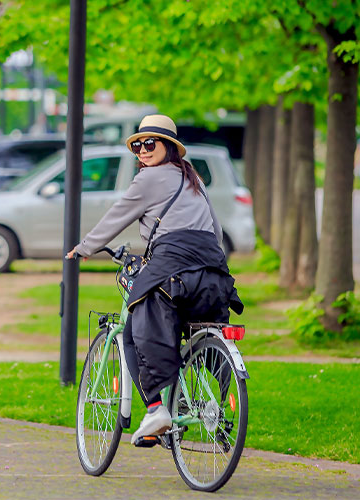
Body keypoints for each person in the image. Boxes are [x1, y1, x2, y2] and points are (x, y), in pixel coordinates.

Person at [65, 115, 243, 445]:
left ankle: (156, 408)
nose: (142, 151)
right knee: (176, 326)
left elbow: (117, 215)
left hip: (173, 264)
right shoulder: (194, 179)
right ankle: (185, 406)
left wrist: (85, 247)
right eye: (138, 145)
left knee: (134, 329)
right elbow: (215, 231)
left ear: (169, 148)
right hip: (213, 270)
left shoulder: (149, 179)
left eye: (150, 143)